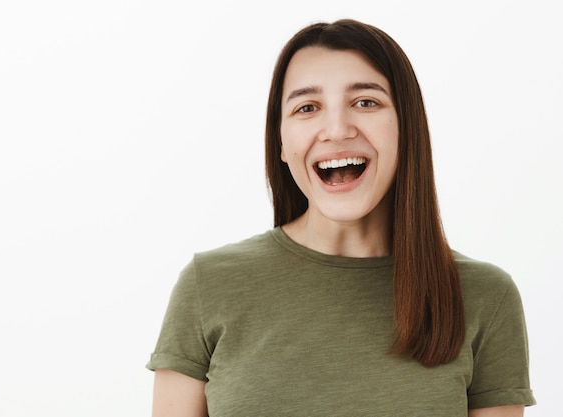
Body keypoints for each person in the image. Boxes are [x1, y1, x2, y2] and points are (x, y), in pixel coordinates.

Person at [146, 19, 536, 416]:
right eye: (307, 107)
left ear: (406, 127)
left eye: (365, 102)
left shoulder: (486, 298)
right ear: (281, 142)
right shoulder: (209, 285)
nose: (336, 129)